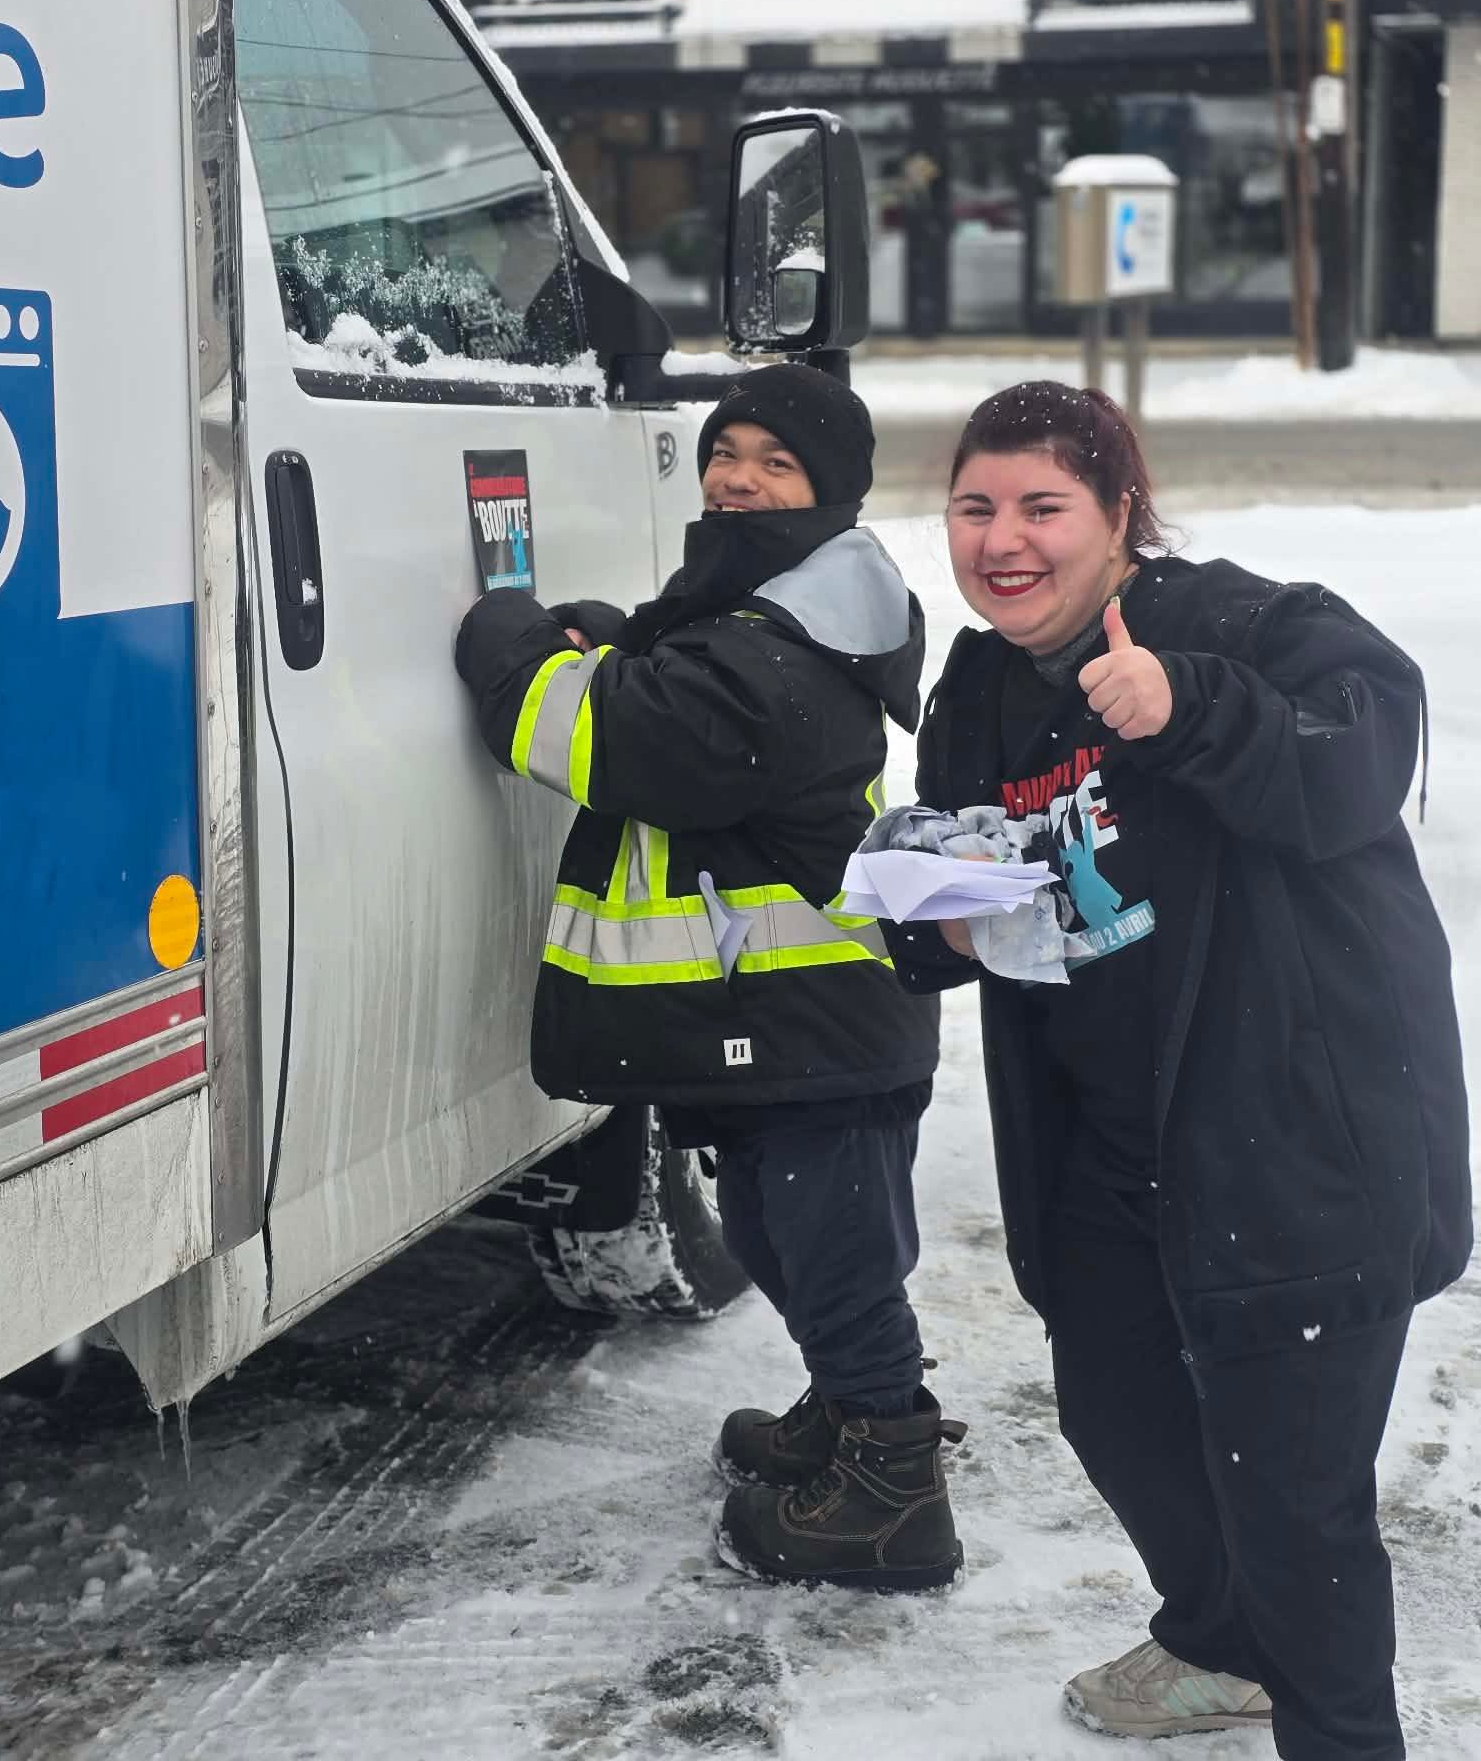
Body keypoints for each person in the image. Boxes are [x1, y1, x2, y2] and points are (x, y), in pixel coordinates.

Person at [886, 380, 1469, 1755]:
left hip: (1295, 1137)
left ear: (1120, 513)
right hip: (1108, 1138)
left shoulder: (1241, 624)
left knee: (1294, 1505)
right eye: (975, 506)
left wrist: (1190, 706)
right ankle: (1220, 1645)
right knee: (1118, 1417)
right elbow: (972, 875)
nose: (1002, 540)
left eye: (1043, 506)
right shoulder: (982, 688)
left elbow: (1364, 751)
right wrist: (931, 915)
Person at [455, 362, 963, 1593]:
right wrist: (622, 635)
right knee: (779, 1239)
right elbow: (681, 668)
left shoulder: (777, 660)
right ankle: (846, 1406)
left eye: (776, 463)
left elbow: (620, 736)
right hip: (790, 1024)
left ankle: (895, 1488)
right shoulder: (771, 620)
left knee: (834, 1258)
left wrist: (511, 643)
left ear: (828, 496)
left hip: (827, 1030)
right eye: (725, 451)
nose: (738, 477)